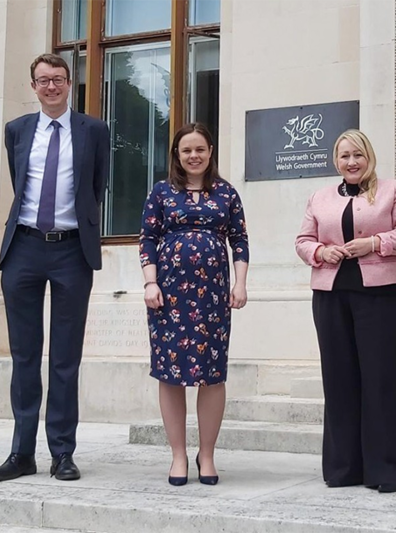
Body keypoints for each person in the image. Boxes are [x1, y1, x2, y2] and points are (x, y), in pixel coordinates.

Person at [0, 54, 110, 482]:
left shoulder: (94, 130)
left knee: (64, 359)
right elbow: (17, 181)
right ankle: (21, 453)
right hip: (23, 248)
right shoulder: (17, 131)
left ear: (69, 83)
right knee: (24, 357)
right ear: (34, 85)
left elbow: (96, 186)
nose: (51, 86)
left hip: (71, 251)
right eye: (43, 80)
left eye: (58, 79)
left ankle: (62, 453)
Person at [295, 129, 396, 493]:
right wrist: (320, 252)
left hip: (383, 296)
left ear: (370, 157)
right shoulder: (319, 197)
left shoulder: (393, 190)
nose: (351, 162)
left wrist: (375, 243)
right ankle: (344, 468)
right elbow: (303, 241)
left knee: (382, 380)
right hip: (332, 295)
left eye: (358, 155)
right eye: (344, 156)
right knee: (339, 379)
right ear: (336, 161)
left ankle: (387, 471)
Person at [139, 123, 249, 486]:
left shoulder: (227, 193)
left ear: (210, 151)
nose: (194, 156)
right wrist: (150, 282)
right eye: (187, 150)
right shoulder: (161, 192)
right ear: (177, 155)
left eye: (200, 149)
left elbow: (240, 240)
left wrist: (240, 284)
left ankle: (207, 454)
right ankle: (177, 455)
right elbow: (148, 238)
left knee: (211, 374)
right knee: (171, 375)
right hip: (168, 297)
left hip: (213, 297)